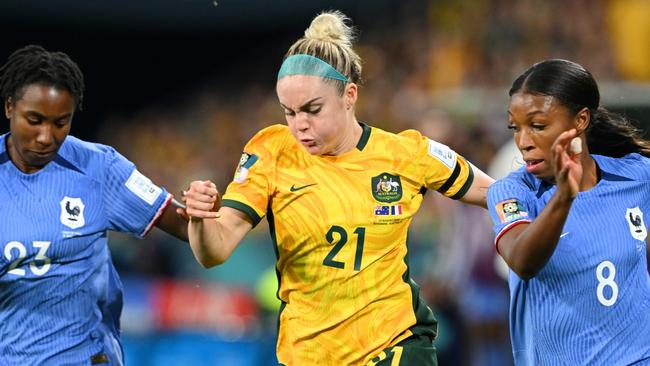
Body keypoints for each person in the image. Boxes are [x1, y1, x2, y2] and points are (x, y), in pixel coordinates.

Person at [183, 11, 494, 366]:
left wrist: (555, 201)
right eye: (289, 112)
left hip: (394, 343)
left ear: (349, 95)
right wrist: (200, 217)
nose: (300, 125)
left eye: (313, 109)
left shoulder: (406, 153)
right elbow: (214, 251)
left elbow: (496, 193)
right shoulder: (271, 151)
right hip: (307, 353)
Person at [0, 45, 189, 365]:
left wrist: (207, 207)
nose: (47, 136)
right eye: (34, 120)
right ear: (9, 108)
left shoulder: (99, 168)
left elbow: (186, 225)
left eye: (61, 122)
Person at [487, 59, 650, 365]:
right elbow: (523, 261)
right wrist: (564, 198)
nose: (523, 142)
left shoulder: (636, 176)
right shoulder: (512, 193)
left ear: (581, 120)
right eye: (515, 128)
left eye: (538, 126)